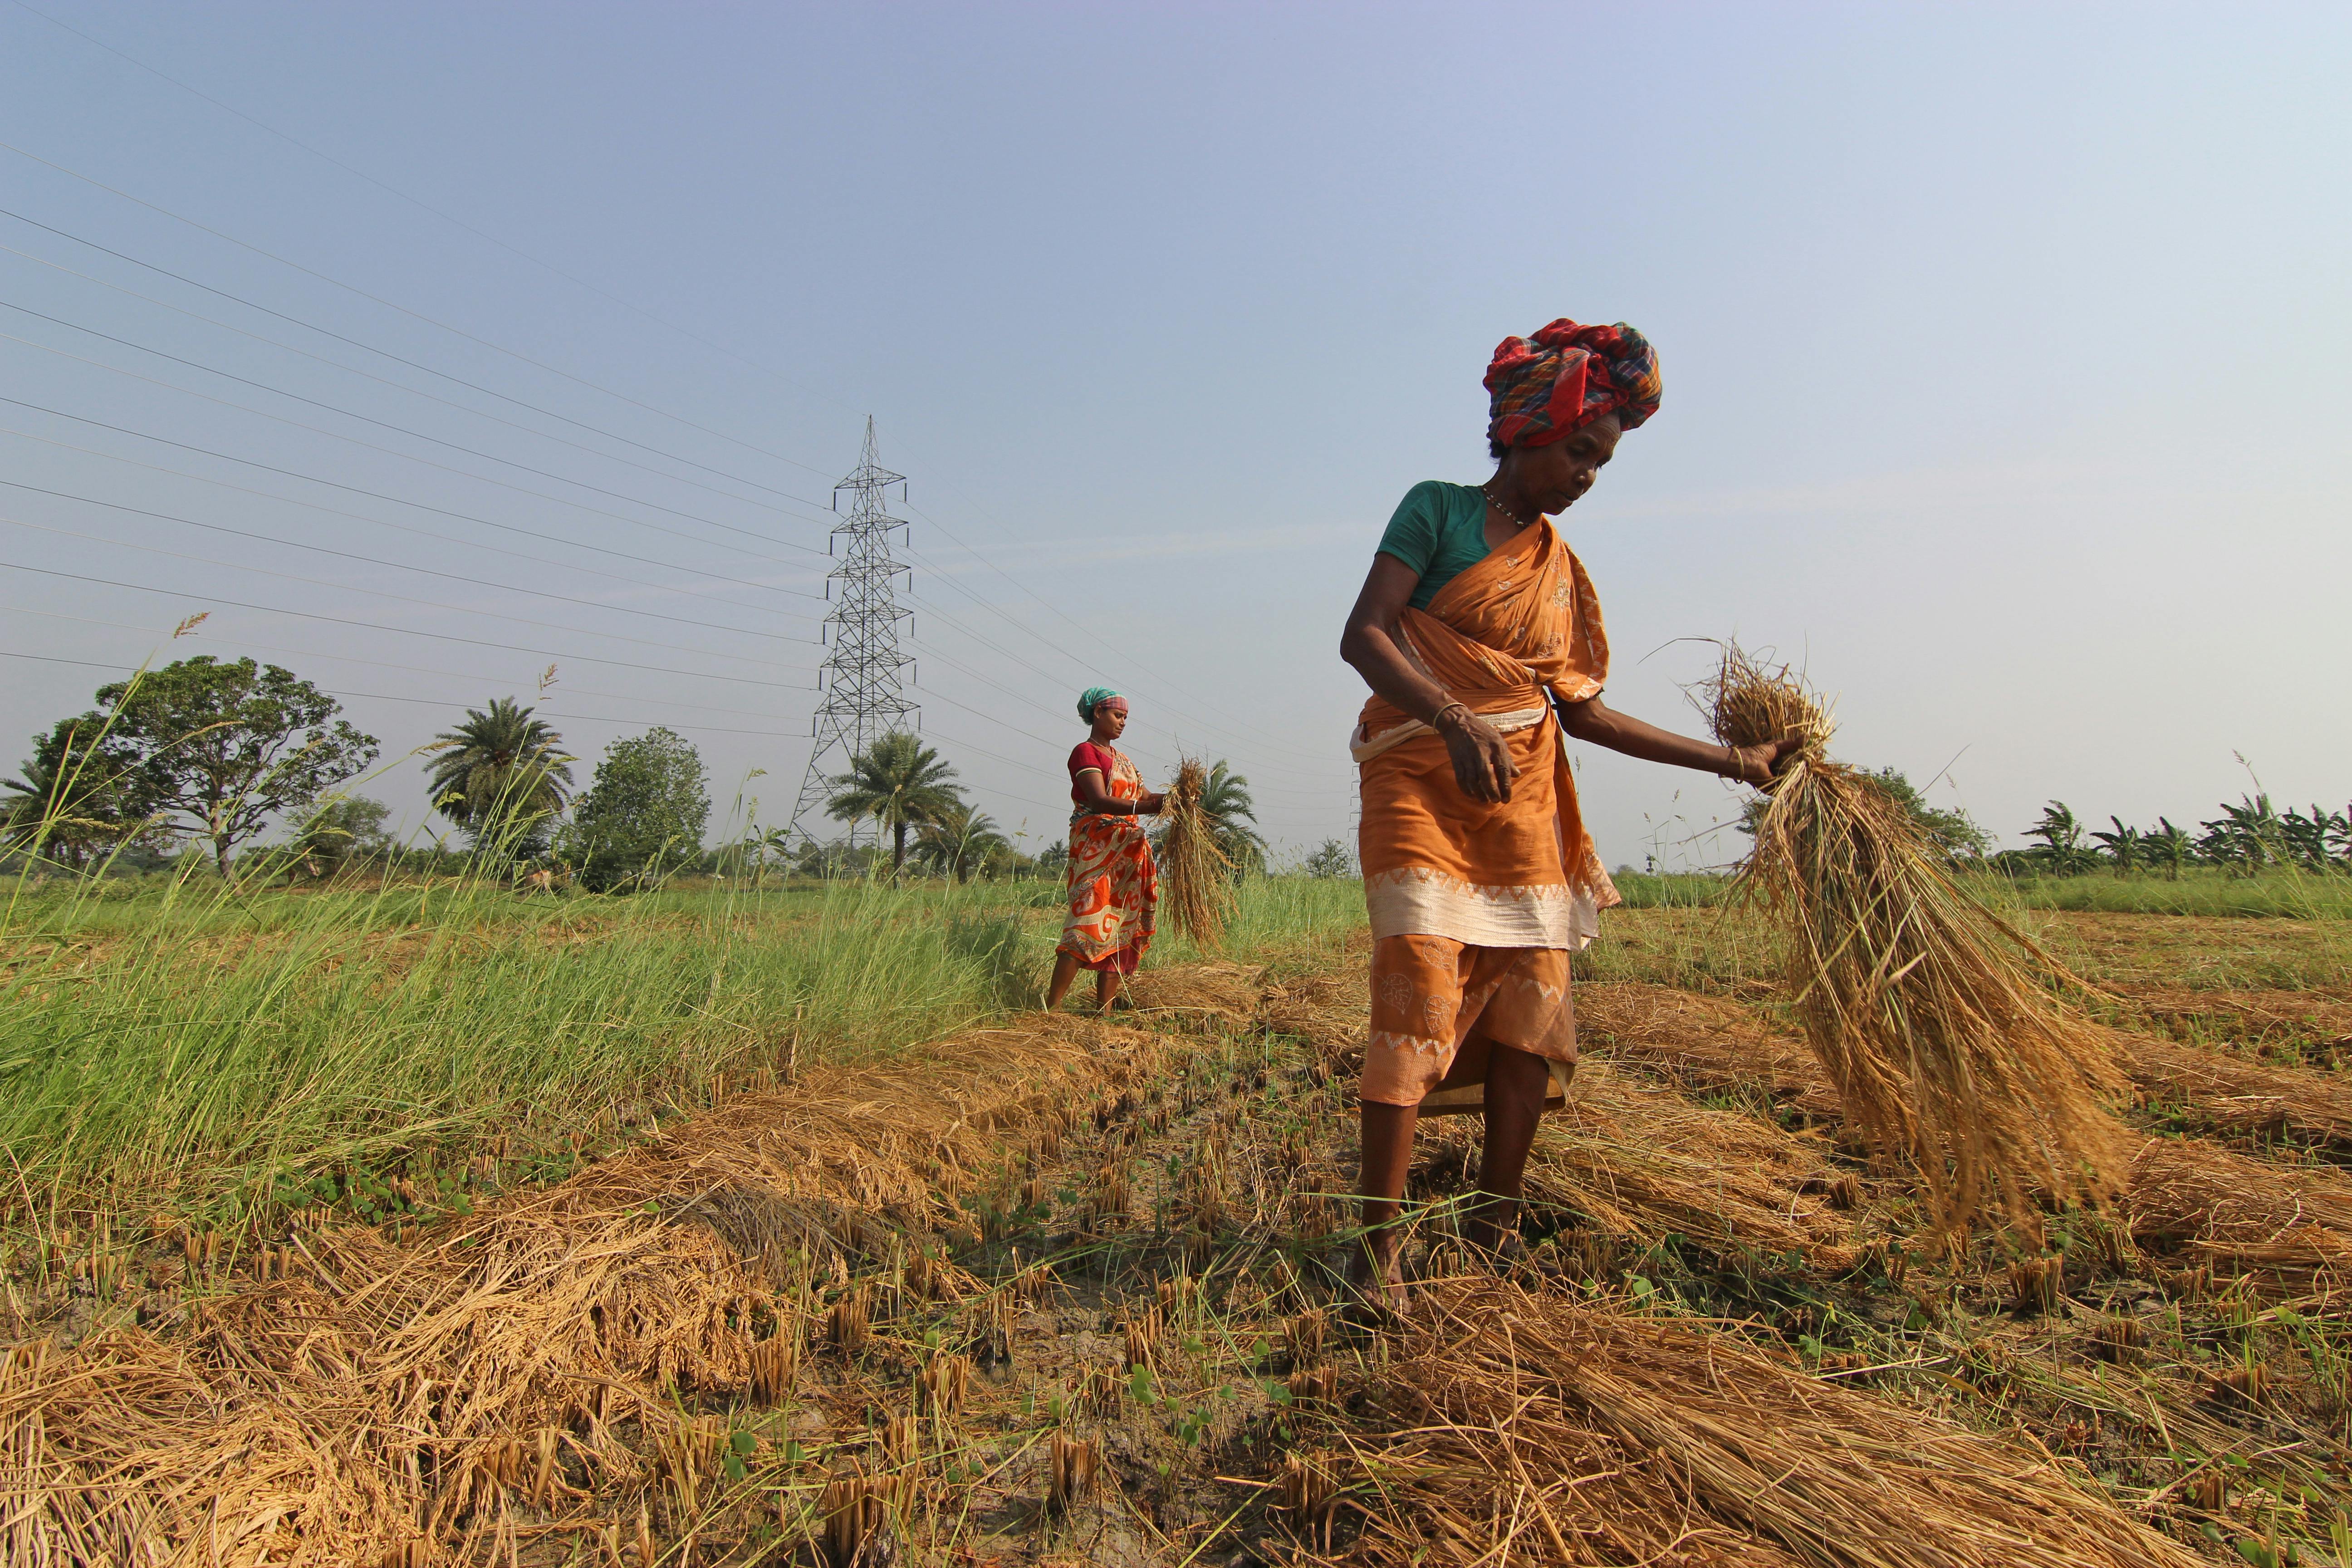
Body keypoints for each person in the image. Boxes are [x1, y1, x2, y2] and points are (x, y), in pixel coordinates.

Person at [1337, 318, 1801, 1308]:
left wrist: (1735, 763)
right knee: (1417, 988)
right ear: (1529, 426)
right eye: (1582, 450)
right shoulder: (1436, 510)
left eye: (1604, 461)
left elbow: (1580, 708)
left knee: (1526, 1009)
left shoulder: (1560, 571)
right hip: (1419, 782)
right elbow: (1366, 636)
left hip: (1522, 802)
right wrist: (1453, 715)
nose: (1590, 476)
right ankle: (1377, 1251)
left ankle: (1497, 1221)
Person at [1046, 687, 1166, 1013]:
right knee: (1086, 923)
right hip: (1096, 849)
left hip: (1126, 855)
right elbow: (1099, 800)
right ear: (1097, 713)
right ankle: (1050, 1012)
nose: (1123, 723)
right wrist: (1147, 806)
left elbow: (1146, 796)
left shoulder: (1124, 761)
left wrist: (1175, 799)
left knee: (1120, 927)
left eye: (1126, 717)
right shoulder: (1085, 753)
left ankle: (1105, 1013)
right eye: (1117, 715)